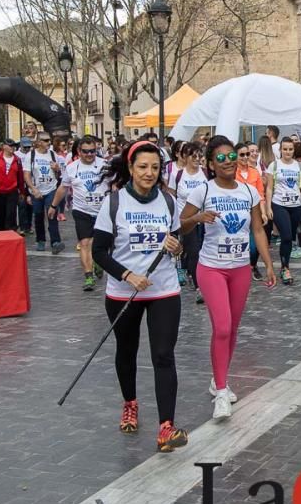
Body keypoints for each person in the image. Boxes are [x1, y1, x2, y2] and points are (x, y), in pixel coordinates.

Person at [91, 140, 187, 452]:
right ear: (131, 168)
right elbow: (99, 251)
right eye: (143, 167)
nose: (149, 173)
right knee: (127, 350)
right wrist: (127, 275)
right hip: (123, 291)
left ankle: (166, 428)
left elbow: (176, 243)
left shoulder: (168, 202)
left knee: (163, 354)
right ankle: (130, 402)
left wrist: (177, 247)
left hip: (163, 289)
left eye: (155, 168)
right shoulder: (114, 203)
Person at [182, 136, 277, 420]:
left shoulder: (249, 192)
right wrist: (197, 218)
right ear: (211, 164)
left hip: (239, 269)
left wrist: (269, 265)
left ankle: (218, 378)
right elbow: (181, 224)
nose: (228, 162)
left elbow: (258, 230)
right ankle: (221, 391)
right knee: (221, 327)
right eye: (220, 158)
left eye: (231, 156)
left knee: (232, 329)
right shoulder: (202, 190)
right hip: (211, 268)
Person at [50, 136, 109, 291]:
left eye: (93, 151)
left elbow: (115, 185)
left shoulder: (104, 165)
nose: (90, 154)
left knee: (98, 244)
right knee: (84, 243)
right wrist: (53, 205)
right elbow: (63, 188)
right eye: (86, 151)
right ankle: (88, 277)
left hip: (103, 211)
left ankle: (97, 262)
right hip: (82, 210)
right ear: (79, 151)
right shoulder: (71, 168)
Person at [265, 137, 301, 285]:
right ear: (280, 150)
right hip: (279, 204)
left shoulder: (299, 166)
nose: (287, 152)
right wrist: (268, 207)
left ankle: (284, 263)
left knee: (291, 237)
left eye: (290, 149)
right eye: (285, 149)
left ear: (294, 150)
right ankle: (285, 268)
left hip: (296, 205)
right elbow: (269, 188)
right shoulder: (274, 166)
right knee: (286, 236)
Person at [169, 141, 208, 298]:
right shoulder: (177, 175)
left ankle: (196, 276)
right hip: (186, 220)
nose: (197, 158)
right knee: (193, 252)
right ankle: (199, 288)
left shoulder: (205, 174)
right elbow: (171, 196)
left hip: (205, 219)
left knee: (203, 251)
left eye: (200, 155)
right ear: (185, 157)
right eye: (194, 155)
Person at [233, 141, 269, 282]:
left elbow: (260, 195)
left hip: (254, 213)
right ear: (235, 156)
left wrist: (264, 212)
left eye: (247, 154)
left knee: (254, 247)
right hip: (237, 214)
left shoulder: (254, 172)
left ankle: (252, 265)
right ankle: (240, 269)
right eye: (242, 154)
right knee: (239, 243)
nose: (245, 157)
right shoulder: (232, 172)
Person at [24, 132, 65, 253]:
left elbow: (59, 173)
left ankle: (55, 242)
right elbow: (26, 175)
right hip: (36, 190)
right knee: (38, 215)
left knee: (52, 214)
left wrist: (57, 169)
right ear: (39, 142)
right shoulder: (30, 156)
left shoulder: (53, 155)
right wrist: (33, 189)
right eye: (46, 140)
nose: (49, 143)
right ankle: (40, 240)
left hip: (51, 189)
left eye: (49, 140)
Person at [0, 142, 25, 232]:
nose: (12, 148)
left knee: (10, 215)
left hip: (12, 191)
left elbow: (20, 177)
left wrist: (22, 191)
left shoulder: (17, 160)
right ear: (4, 147)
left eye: (13, 146)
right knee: (0, 216)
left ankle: (11, 233)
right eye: (10, 145)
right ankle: (3, 235)